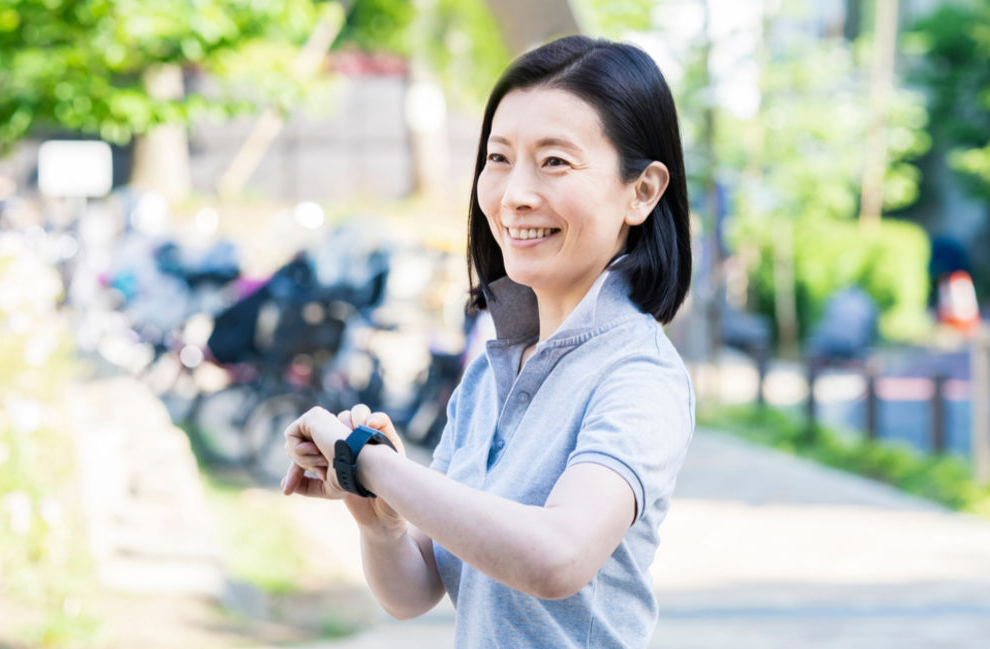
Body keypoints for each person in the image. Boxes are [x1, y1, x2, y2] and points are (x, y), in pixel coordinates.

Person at [279, 34, 694, 648]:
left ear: (643, 191)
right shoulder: (490, 371)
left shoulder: (639, 375)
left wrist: (370, 462)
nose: (515, 194)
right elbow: (414, 593)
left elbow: (558, 558)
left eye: (554, 161)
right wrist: (380, 517)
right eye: (499, 158)